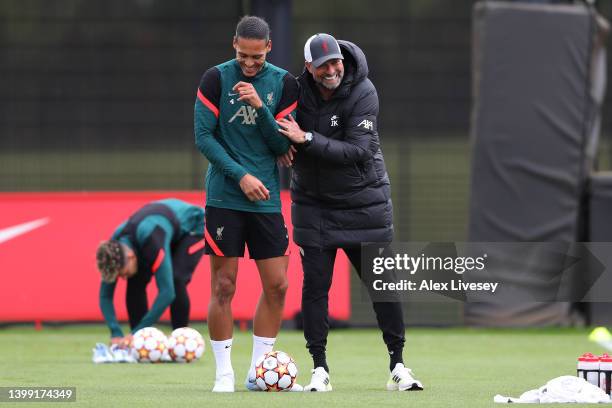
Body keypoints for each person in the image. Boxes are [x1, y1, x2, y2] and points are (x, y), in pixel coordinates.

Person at [277, 33, 424, 392]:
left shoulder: (364, 91)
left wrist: (305, 139)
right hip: (314, 206)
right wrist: (282, 144)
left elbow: (357, 150)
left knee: (383, 289)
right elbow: (276, 126)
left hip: (364, 205)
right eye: (323, 64)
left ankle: (399, 365)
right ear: (309, 68)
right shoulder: (294, 91)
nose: (332, 70)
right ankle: (319, 369)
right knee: (315, 289)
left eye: (336, 62)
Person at [194, 16, 300, 392]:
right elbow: (204, 138)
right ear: (233, 45)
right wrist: (240, 175)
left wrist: (260, 108)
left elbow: (281, 146)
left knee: (278, 286)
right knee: (224, 286)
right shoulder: (215, 78)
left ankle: (259, 370)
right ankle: (223, 372)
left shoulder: (284, 83)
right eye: (242, 56)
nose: (249, 64)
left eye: (256, 57)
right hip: (225, 197)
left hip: (267, 201)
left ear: (268, 47)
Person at [96, 198, 205, 346]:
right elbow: (105, 295)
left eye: (122, 272)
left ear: (130, 256)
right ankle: (140, 344)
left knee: (176, 279)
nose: (121, 277)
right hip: (162, 232)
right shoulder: (113, 249)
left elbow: (167, 293)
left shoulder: (152, 239)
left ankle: (181, 341)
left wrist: (136, 333)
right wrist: (115, 332)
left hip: (194, 227)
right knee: (135, 281)